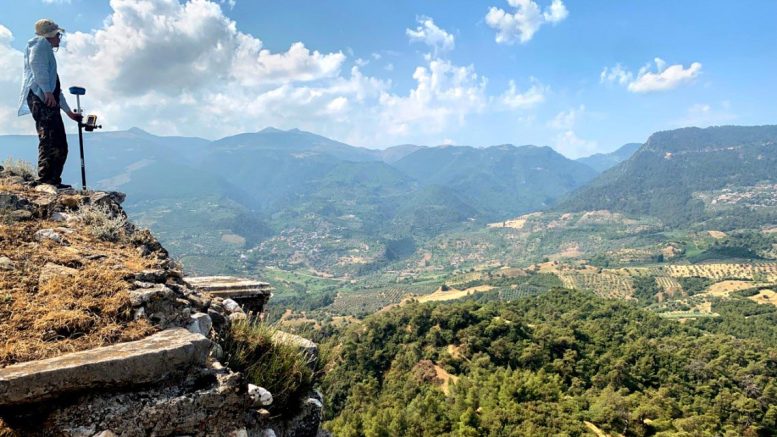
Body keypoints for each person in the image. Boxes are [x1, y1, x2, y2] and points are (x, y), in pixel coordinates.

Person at [18, 19, 81, 189]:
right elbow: (37, 67)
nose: (59, 38)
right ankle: (46, 179)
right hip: (41, 97)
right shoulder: (40, 45)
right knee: (50, 138)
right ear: (50, 35)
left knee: (58, 140)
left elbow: (56, 90)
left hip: (44, 97)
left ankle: (52, 179)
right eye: (57, 34)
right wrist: (46, 91)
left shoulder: (44, 49)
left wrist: (69, 113)